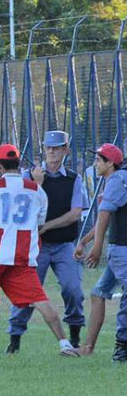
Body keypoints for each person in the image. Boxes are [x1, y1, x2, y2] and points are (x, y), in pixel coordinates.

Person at [0, 144, 78, 356]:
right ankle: (65, 344)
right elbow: (40, 223)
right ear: (19, 164)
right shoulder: (37, 190)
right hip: (23, 256)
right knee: (40, 300)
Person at [4, 131, 88, 354]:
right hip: (34, 247)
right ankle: (14, 341)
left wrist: (48, 226)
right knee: (26, 293)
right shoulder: (27, 176)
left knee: (73, 289)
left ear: (66, 150)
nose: (51, 151)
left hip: (63, 245)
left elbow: (75, 214)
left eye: (57, 147)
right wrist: (35, 183)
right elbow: (16, 205)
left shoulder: (73, 178)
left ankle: (75, 337)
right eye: (48, 147)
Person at [75, 144, 126, 355]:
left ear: (110, 163)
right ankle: (88, 348)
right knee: (98, 293)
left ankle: (122, 347)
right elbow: (102, 220)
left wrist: (96, 248)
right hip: (119, 249)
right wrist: (85, 241)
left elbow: (105, 215)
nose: (95, 163)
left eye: (98, 160)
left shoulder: (116, 180)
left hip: (121, 249)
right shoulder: (120, 178)